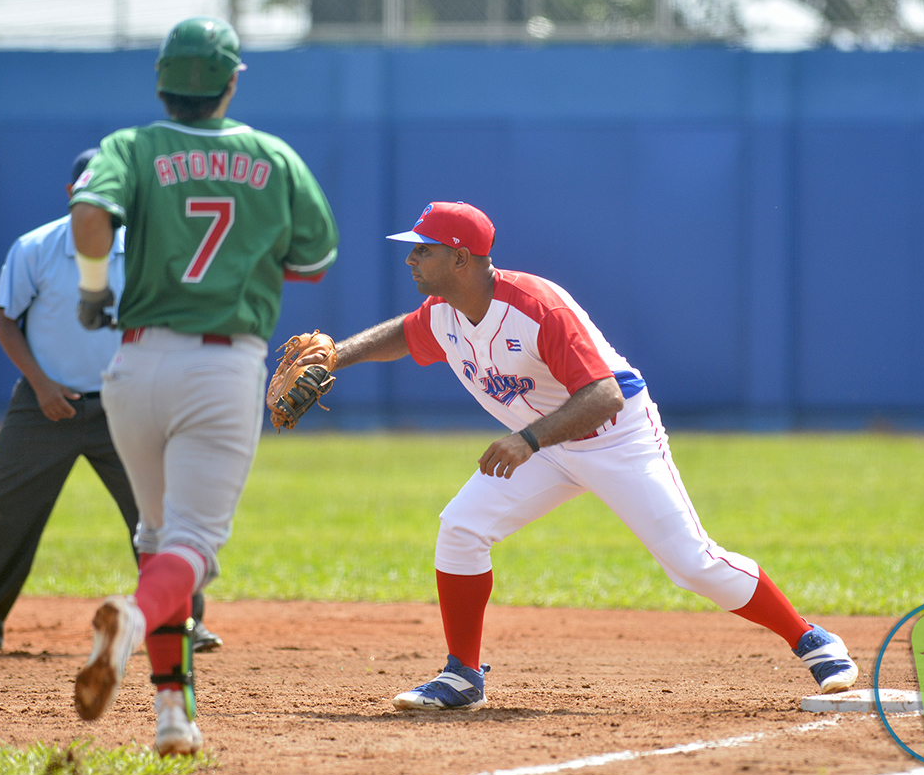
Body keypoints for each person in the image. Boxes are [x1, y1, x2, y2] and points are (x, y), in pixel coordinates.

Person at [306, 201, 858, 711]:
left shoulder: (535, 306)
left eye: (423, 248)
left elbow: (604, 395)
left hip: (616, 438)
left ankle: (811, 639)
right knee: (461, 527)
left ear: (460, 258)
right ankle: (462, 675)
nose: (412, 257)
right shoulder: (446, 311)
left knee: (691, 563)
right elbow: (405, 335)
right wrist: (336, 357)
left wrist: (526, 441)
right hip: (545, 443)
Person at [67, 17, 339, 755]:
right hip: (221, 364)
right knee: (190, 546)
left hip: (133, 363)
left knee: (159, 539)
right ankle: (127, 615)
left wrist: (94, 286)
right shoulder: (272, 156)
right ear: (231, 82)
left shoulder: (131, 146)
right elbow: (314, 259)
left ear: (161, 82)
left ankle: (173, 717)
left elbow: (90, 213)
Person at [0, 150, 221, 656]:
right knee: (4, 508)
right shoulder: (36, 247)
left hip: (128, 405)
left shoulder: (149, 250)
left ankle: (184, 624)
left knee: (161, 512)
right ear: (72, 195)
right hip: (45, 404)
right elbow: (5, 320)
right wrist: (41, 384)